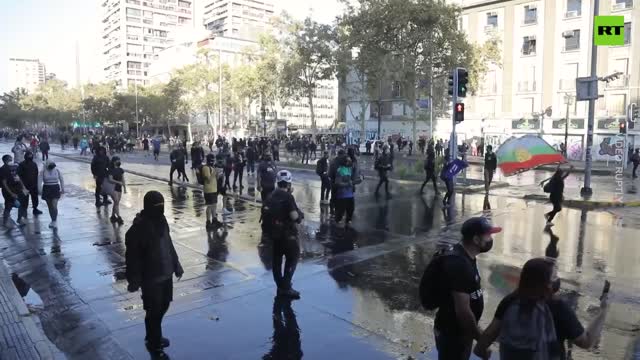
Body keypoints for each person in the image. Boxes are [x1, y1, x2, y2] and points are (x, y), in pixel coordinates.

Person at [474, 257, 610, 360]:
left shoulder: (510, 301)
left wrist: (483, 352)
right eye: (554, 276)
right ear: (547, 284)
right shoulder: (558, 307)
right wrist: (602, 311)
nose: (558, 280)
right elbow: (586, 342)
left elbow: (486, 339)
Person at [426, 217, 500, 360]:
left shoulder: (465, 255)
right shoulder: (460, 265)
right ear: (476, 240)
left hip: (459, 332)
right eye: (488, 235)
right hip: (453, 334)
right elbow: (464, 313)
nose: (490, 239)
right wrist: (482, 342)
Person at [125, 191, 183, 359]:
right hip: (151, 277)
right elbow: (132, 258)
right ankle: (153, 340)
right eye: (157, 206)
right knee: (154, 310)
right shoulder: (138, 228)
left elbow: (168, 243)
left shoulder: (162, 221)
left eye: (162, 205)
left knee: (165, 304)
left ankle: (153, 333)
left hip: (166, 273)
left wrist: (176, 264)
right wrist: (134, 280)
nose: (161, 209)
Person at [261, 170, 303, 299]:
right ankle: (286, 287)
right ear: (289, 183)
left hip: (274, 235)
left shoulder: (271, 195)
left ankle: (280, 286)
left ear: (277, 181)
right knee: (293, 258)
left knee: (277, 261)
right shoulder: (288, 197)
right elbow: (294, 216)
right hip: (288, 235)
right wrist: (300, 215)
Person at [329, 151, 357, 226]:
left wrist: (359, 180)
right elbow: (338, 183)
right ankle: (337, 225)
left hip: (350, 194)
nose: (350, 161)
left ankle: (348, 221)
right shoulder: (340, 170)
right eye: (348, 161)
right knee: (340, 211)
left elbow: (352, 181)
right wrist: (347, 184)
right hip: (342, 195)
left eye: (350, 160)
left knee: (350, 210)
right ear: (345, 162)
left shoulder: (349, 169)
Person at [0, 154, 28, 228]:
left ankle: (19, 219)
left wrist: (23, 187)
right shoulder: (3, 169)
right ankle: (5, 222)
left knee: (21, 204)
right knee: (8, 206)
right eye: (10, 159)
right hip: (9, 191)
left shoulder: (13, 167)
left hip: (18, 190)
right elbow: (4, 183)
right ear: (6, 160)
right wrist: (11, 193)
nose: (12, 160)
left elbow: (18, 178)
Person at [38, 160, 65, 229]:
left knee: (54, 205)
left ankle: (55, 220)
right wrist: (40, 190)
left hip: (55, 188)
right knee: (50, 206)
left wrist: (63, 188)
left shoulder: (57, 170)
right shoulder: (43, 171)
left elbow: (61, 179)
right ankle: (52, 220)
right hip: (47, 188)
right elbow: (39, 181)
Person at [17, 151, 43, 216]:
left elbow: (36, 173)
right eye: (29, 155)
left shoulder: (34, 164)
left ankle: (35, 209)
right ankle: (24, 210)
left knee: (35, 197)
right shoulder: (21, 164)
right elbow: (19, 175)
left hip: (33, 184)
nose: (30, 157)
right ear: (26, 156)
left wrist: (37, 184)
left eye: (31, 155)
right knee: (24, 199)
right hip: (25, 185)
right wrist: (21, 185)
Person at [202, 154, 222, 229]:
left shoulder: (212, 167)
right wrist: (214, 172)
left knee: (214, 205)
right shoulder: (205, 168)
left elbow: (215, 178)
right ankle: (208, 222)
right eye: (212, 159)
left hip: (214, 189)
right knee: (210, 206)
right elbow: (208, 180)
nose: (213, 161)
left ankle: (214, 220)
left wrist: (218, 174)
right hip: (208, 190)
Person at [108, 157, 126, 225]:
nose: (119, 161)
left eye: (119, 160)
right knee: (116, 201)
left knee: (116, 203)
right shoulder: (111, 170)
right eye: (118, 160)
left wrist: (125, 188)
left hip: (119, 188)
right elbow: (110, 179)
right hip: (113, 188)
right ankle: (119, 217)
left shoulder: (121, 170)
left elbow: (123, 179)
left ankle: (113, 216)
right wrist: (118, 182)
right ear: (114, 162)